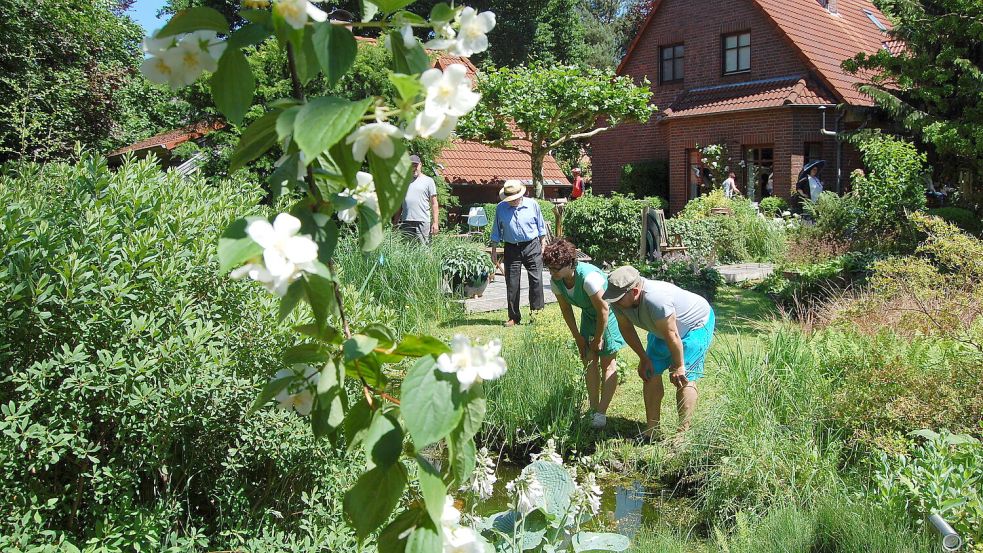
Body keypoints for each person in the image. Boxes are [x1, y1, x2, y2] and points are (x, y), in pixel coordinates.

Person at [604, 266, 715, 438]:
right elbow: (626, 329)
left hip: (695, 325)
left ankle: (682, 434)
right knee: (650, 372)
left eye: (618, 298)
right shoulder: (619, 300)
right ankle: (652, 430)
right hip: (662, 330)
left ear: (634, 291)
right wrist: (643, 358)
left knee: (684, 378)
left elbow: (672, 335)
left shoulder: (656, 299)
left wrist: (679, 366)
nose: (614, 302)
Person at [543, 239, 625, 429]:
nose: (553, 273)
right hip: (589, 315)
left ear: (570, 263)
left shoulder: (589, 279)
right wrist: (579, 338)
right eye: (550, 269)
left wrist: (599, 338)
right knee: (589, 360)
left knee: (607, 363)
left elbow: (604, 310)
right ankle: (593, 408)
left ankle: (601, 413)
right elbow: (566, 310)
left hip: (609, 315)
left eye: (556, 268)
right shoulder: (556, 282)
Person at [491, 180, 546, 327]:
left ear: (520, 195)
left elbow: (541, 226)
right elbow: (496, 230)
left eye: (513, 199)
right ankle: (514, 317)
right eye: (508, 199)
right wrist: (494, 250)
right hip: (511, 248)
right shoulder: (500, 208)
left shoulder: (533, 205)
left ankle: (537, 315)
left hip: (532, 246)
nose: (511, 201)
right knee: (512, 283)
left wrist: (543, 243)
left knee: (537, 281)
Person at [395, 155, 439, 243]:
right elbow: (400, 204)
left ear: (420, 165)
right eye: (411, 165)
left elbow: (434, 203)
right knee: (407, 250)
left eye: (416, 165)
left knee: (424, 250)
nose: (414, 168)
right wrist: (396, 220)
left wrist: (435, 223)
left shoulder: (428, 181)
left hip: (423, 222)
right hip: (406, 221)